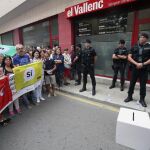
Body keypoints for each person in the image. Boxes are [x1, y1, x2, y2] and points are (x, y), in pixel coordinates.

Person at [124, 33, 150, 107]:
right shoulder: (134, 46)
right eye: (140, 37)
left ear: (146, 39)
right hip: (135, 68)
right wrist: (136, 64)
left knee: (143, 85)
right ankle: (129, 96)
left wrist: (143, 64)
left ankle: (142, 99)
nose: (141, 38)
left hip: (144, 69)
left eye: (143, 37)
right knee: (132, 83)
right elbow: (129, 57)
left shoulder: (149, 47)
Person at [13, 44, 34, 109]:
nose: (20, 50)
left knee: (30, 89)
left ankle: (32, 100)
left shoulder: (27, 56)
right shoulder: (15, 58)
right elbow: (16, 68)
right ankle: (27, 104)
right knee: (23, 92)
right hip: (21, 78)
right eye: (19, 49)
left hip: (29, 75)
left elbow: (29, 64)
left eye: (21, 48)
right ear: (16, 50)